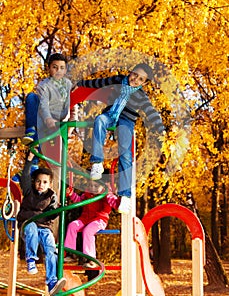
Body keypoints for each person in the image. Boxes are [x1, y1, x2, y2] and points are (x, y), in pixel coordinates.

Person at [73, 63, 165, 214]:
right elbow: (98, 83)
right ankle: (97, 162)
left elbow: (152, 113)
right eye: (135, 74)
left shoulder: (142, 96)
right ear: (131, 71)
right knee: (99, 120)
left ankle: (125, 195)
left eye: (140, 79)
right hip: (110, 115)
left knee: (125, 153)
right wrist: (81, 83)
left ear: (144, 83)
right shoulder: (118, 80)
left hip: (126, 122)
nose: (135, 79)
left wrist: (162, 131)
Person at [17, 151, 66, 295]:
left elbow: (52, 214)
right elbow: (25, 176)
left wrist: (61, 208)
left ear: (50, 184)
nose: (41, 185)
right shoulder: (28, 191)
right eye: (38, 181)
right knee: (31, 227)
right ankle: (31, 259)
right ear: (34, 182)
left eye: (44, 182)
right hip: (28, 225)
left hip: (44, 228)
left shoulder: (51, 196)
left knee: (51, 249)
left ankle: (51, 282)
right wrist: (29, 160)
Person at [22, 53, 75, 145]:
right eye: (55, 67)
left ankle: (41, 143)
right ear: (49, 68)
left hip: (59, 122)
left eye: (62, 68)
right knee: (31, 97)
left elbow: (74, 106)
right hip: (45, 119)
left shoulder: (68, 85)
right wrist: (48, 119)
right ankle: (31, 130)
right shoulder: (44, 85)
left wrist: (70, 129)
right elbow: (43, 104)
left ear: (65, 70)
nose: (58, 70)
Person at [64, 181, 119, 267]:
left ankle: (91, 259)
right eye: (90, 185)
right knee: (72, 226)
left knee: (88, 231)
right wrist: (71, 194)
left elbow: (114, 203)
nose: (92, 188)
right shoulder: (87, 194)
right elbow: (79, 200)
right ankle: (71, 253)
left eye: (96, 186)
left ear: (103, 186)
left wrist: (119, 200)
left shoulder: (106, 195)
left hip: (99, 219)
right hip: (85, 219)